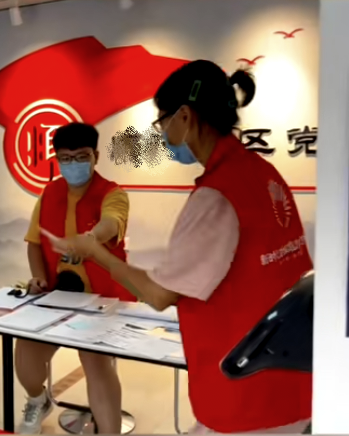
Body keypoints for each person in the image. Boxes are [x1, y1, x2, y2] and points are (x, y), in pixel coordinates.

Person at [42, 60, 312, 434]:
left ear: (184, 116)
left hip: (244, 386)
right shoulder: (262, 172)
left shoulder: (215, 194)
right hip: (290, 375)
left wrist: (95, 252)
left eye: (162, 122)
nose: (163, 134)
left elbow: (159, 294)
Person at [17, 122, 134, 434]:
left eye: (81, 157)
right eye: (65, 159)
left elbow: (111, 224)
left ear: (95, 156)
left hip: (101, 297)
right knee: (26, 353)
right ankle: (38, 400)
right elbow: (34, 243)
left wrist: (90, 240)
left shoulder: (113, 193)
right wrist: (38, 278)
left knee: (95, 362)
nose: (73, 164)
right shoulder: (49, 193)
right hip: (57, 294)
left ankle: (108, 431)